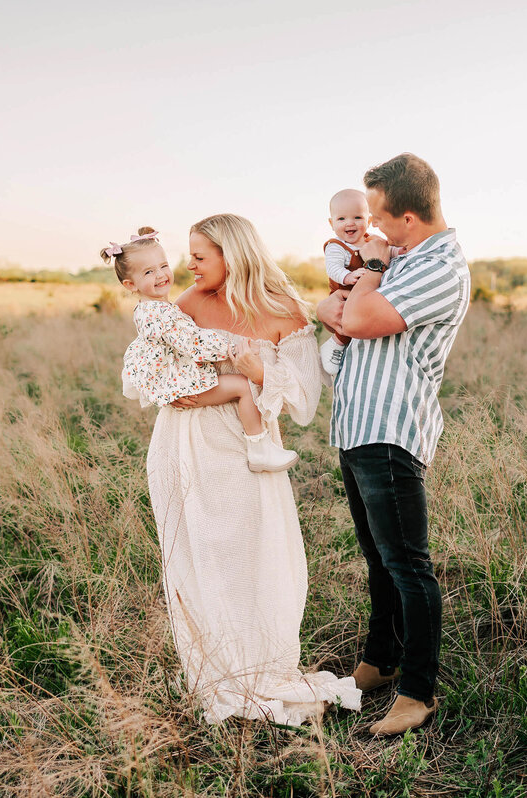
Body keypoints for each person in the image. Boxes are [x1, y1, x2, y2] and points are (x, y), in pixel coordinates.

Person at [146, 213, 362, 725]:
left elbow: (305, 399)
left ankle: (263, 664)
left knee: (260, 553)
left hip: (251, 447)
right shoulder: (185, 306)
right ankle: (215, 669)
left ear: (231, 255)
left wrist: (257, 370)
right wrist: (197, 390)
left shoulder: (284, 309)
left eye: (199, 256)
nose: (188, 266)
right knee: (200, 556)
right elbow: (155, 373)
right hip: (186, 444)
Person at [316, 153, 470, 736]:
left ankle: (417, 691)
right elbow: (335, 309)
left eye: (378, 216)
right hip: (356, 424)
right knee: (377, 557)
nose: (371, 228)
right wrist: (336, 302)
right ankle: (380, 662)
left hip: (391, 428)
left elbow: (356, 319)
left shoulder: (436, 266)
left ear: (406, 215)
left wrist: (372, 270)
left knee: (408, 566)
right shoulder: (401, 256)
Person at [109, 227, 298, 472]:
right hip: (182, 385)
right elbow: (193, 342)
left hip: (178, 382)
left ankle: (260, 447)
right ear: (130, 284)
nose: (160, 275)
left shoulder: (153, 309)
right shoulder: (158, 314)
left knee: (241, 386)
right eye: (149, 272)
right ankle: (260, 448)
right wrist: (231, 347)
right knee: (244, 386)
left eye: (163, 266)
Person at [318, 189, 402, 376]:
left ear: (369, 221)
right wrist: (347, 277)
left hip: (365, 293)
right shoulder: (336, 247)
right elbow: (333, 269)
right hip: (344, 291)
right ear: (332, 223)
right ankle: (335, 345)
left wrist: (398, 252)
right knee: (346, 317)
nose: (349, 223)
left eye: (357, 217)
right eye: (341, 219)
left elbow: (387, 251)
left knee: (362, 317)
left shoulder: (372, 240)